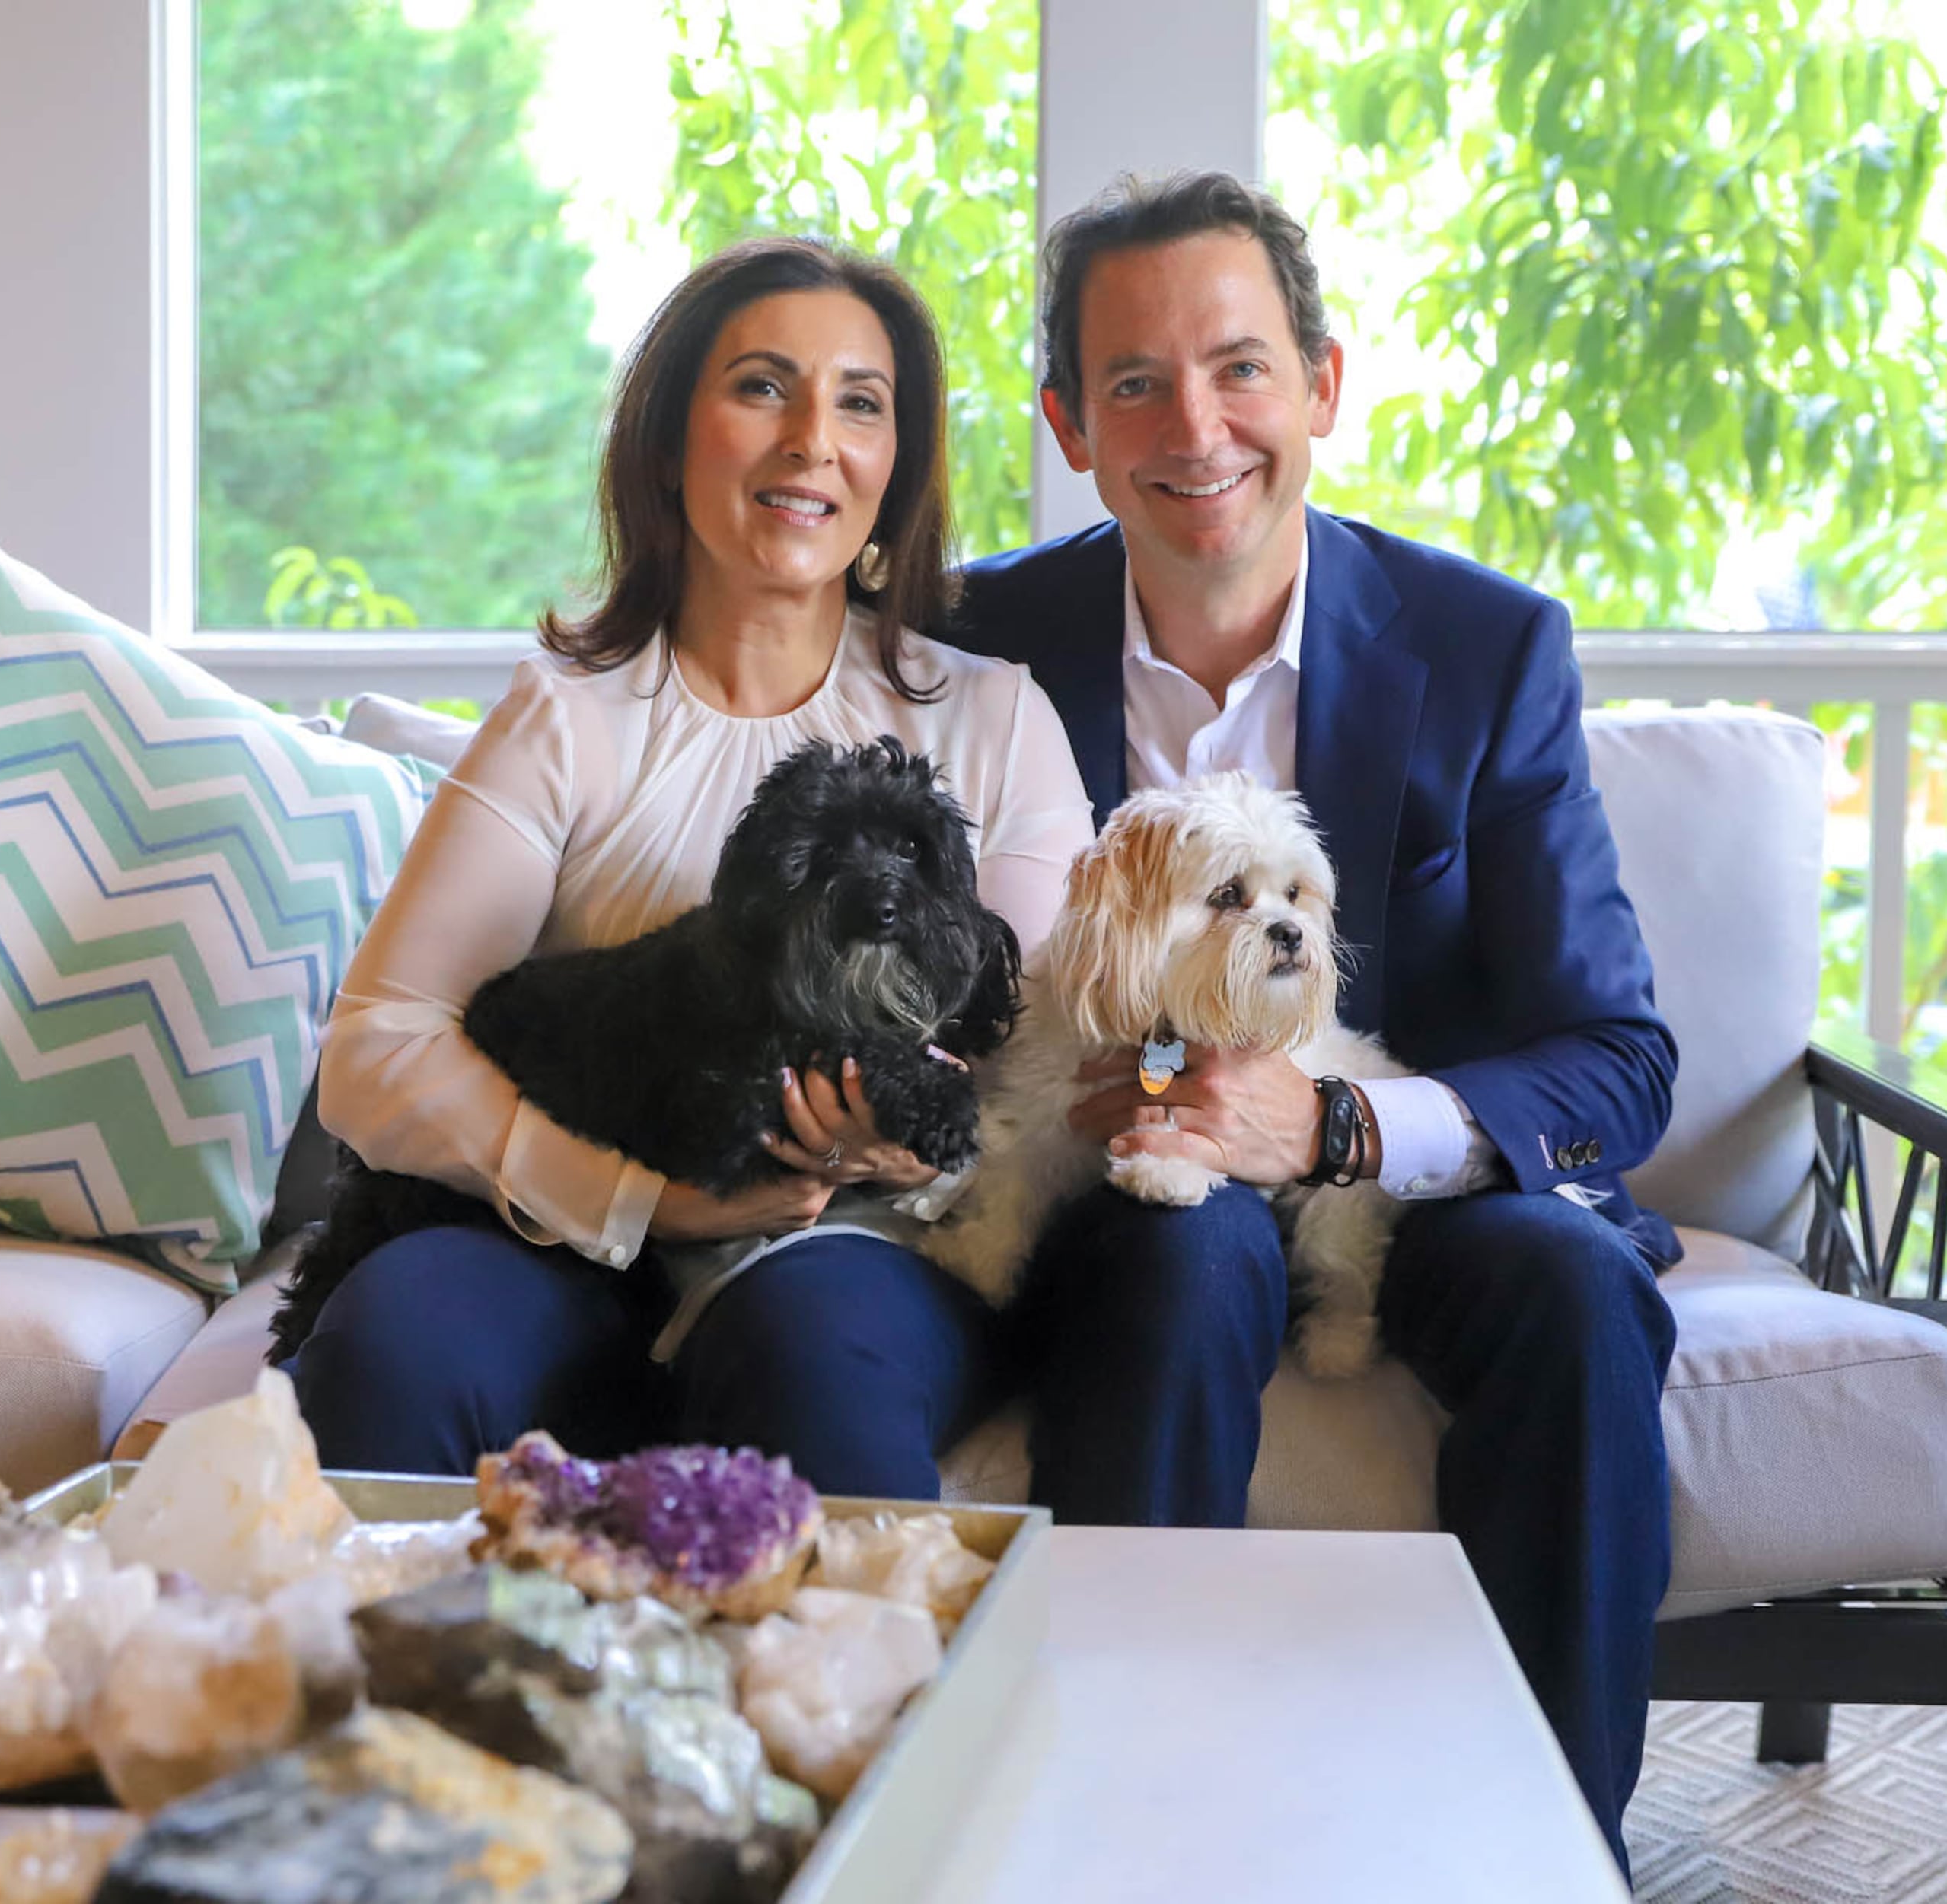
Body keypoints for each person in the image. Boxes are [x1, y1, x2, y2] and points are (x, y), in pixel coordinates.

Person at [948, 172, 1681, 1869]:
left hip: (1426, 1199)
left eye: (1240, 367)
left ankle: (1554, 1858)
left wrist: (1337, 1128)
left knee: (1577, 1295)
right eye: (1133, 380)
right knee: (1176, 1257)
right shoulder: (974, 646)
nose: (1193, 423)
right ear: (1068, 421)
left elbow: (1615, 1056)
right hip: (1124, 1203)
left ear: (1323, 385)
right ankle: (1136, 1841)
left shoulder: (1487, 649)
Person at [291, 238, 1092, 1501]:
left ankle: (881, 1696)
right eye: (763, 387)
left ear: (896, 466)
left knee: (808, 1358)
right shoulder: (569, 718)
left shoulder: (992, 723)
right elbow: (377, 1048)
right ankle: (413, 1697)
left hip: (858, 1252)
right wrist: (639, 1201)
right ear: (671, 441)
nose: (812, 440)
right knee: (395, 1347)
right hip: (567, 1242)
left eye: (861, 404)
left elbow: (1041, 1048)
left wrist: (905, 1144)